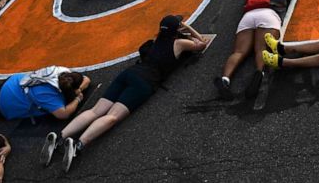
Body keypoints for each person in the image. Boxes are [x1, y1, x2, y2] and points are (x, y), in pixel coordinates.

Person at [46, 16, 207, 173]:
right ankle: (78, 145)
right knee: (113, 116)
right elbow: (201, 44)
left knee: (96, 111)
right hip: (145, 82)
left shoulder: (155, 42)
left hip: (129, 73)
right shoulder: (179, 43)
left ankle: (60, 136)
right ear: (177, 29)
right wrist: (189, 28)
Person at [215, 0, 294, 97]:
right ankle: (259, 73)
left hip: (248, 17)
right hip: (268, 15)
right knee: (261, 49)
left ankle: (225, 79)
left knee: (239, 52)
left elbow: (247, 0)